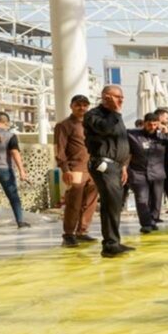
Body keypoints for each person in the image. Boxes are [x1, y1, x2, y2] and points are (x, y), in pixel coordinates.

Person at [83, 85, 133, 256]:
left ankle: (113, 241)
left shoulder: (116, 116)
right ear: (106, 97)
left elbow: (121, 142)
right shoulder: (93, 115)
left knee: (115, 204)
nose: (121, 101)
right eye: (117, 97)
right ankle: (110, 245)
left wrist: (123, 165)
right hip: (103, 164)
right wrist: (116, 111)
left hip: (117, 166)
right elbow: (104, 129)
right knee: (110, 203)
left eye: (122, 97)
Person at [54, 94, 98, 247]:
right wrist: (65, 169)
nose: (82, 108)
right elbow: (59, 149)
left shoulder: (91, 125)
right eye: (78, 105)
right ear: (71, 106)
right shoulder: (64, 125)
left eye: (85, 105)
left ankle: (82, 231)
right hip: (75, 168)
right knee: (74, 202)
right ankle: (68, 234)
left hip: (93, 168)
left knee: (90, 202)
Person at [127, 112, 168, 234]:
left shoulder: (162, 137)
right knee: (141, 198)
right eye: (149, 124)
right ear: (144, 123)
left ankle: (153, 220)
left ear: (158, 124)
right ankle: (146, 223)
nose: (152, 127)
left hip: (157, 172)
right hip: (138, 172)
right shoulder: (132, 135)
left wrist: (167, 134)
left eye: (155, 125)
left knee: (156, 200)